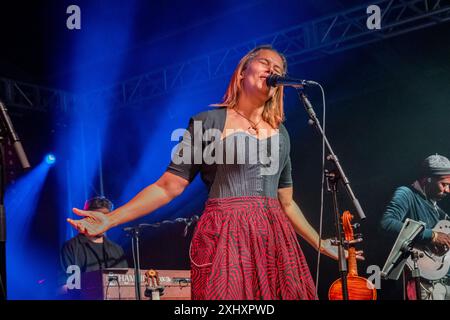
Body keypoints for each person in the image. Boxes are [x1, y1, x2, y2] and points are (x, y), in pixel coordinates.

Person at [67, 45, 353, 300]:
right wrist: (110, 219)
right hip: (226, 234)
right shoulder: (208, 122)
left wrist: (320, 244)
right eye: (266, 63)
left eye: (278, 69)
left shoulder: (281, 134)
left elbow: (287, 202)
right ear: (243, 71)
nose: (273, 70)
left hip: (273, 238)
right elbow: (168, 186)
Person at [380, 154, 450, 300]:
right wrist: (432, 236)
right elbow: (387, 223)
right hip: (425, 284)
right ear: (426, 180)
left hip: (444, 281)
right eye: (444, 184)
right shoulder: (406, 194)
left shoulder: (437, 210)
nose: (448, 190)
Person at [60, 197, 128, 277]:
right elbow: (63, 285)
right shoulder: (70, 247)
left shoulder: (117, 250)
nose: (99, 222)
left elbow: (126, 282)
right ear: (86, 217)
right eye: (96, 218)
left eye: (103, 217)